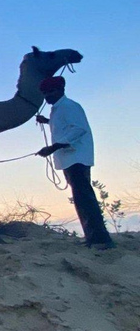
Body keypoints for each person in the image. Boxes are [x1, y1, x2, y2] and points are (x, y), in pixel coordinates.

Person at [36, 76, 115, 250]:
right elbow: (64, 126)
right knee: (80, 198)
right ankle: (92, 237)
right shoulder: (58, 109)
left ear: (61, 90)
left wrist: (54, 147)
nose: (47, 96)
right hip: (70, 158)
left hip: (76, 158)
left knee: (84, 198)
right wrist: (47, 122)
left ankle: (101, 240)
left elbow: (79, 129)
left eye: (51, 92)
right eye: (45, 93)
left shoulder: (69, 106)